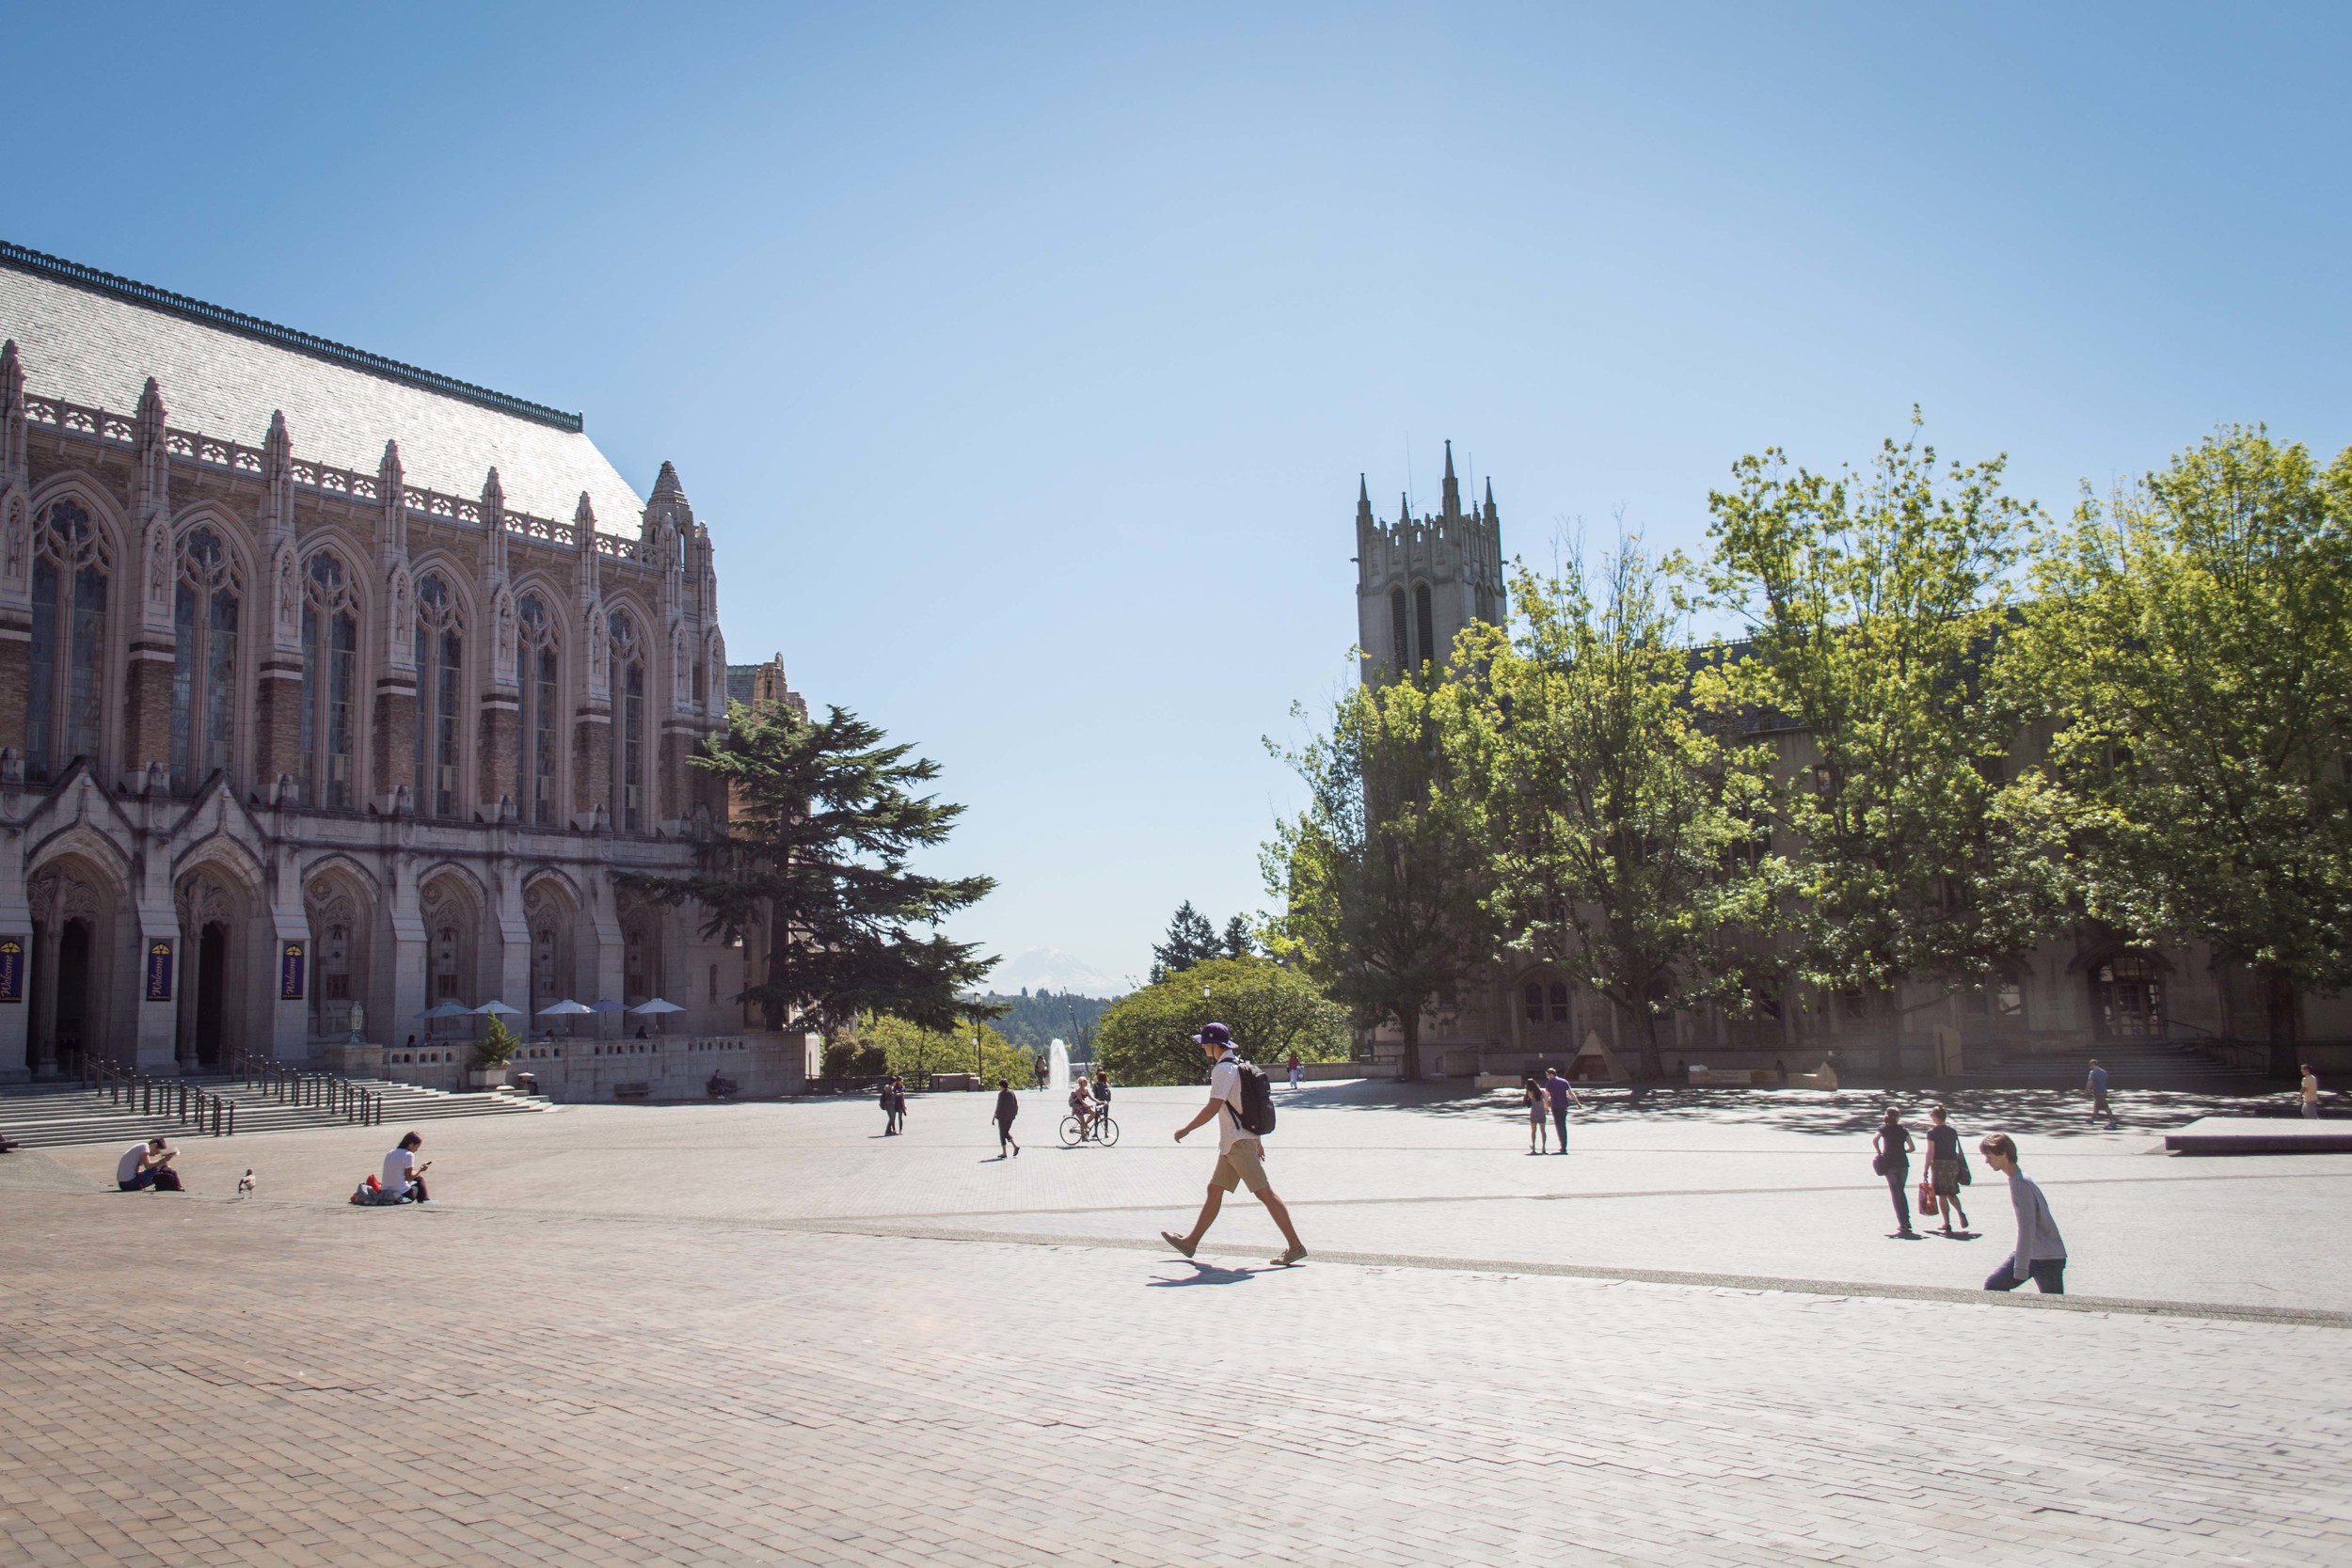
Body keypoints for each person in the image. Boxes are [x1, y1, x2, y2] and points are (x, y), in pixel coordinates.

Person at [1161, 1022, 1308, 1267]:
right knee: (1214, 1189)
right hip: (1234, 1143)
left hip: (1238, 1143)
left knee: (1266, 1194)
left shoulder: (1222, 1070)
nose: (1202, 1047)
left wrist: (1186, 1129)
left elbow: (1213, 1106)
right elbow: (1247, 1106)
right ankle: (1190, 1242)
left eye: (1203, 1043)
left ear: (1212, 1045)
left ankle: (1295, 1246)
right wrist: (1257, 1140)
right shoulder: (1238, 1065)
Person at [1979, 1132, 2065, 1293]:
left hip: (2046, 1258)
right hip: (2037, 1254)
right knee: (1993, 1285)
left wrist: (2020, 1267)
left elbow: (2027, 1228)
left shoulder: (2021, 1183)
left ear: (2003, 1154)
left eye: (1989, 1156)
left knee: (2056, 1307)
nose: (1986, 1161)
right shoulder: (2019, 1178)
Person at [1923, 1104, 1970, 1235]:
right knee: (1952, 1192)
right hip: (1953, 1164)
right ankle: (1960, 1212)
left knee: (1942, 1195)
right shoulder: (1952, 1131)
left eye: (1931, 1115)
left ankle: (1947, 1223)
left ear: (1935, 1117)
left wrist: (1925, 1168)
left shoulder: (1932, 1133)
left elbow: (1930, 1152)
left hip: (1939, 1164)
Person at [1872, 1106, 1916, 1237]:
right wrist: (1904, 1151)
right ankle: (1906, 1219)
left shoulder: (1883, 1129)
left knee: (1895, 1193)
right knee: (1901, 1191)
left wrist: (1879, 1152)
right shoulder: (1903, 1130)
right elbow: (1912, 1147)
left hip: (1889, 1163)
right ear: (1898, 1118)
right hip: (1903, 1163)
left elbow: (1875, 1140)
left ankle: (1903, 1222)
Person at [1543, 1066, 1586, 1153]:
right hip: (1564, 1106)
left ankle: (1562, 1146)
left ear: (1551, 1075)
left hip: (1555, 1106)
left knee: (1559, 1127)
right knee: (1563, 1125)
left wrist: (1546, 1108)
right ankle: (1564, 1145)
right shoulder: (1564, 1081)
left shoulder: (1549, 1083)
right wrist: (1578, 1103)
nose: (1547, 1077)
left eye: (1547, 1075)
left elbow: (1546, 1097)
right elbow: (1571, 1093)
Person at [116, 1136, 181, 1192]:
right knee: (162, 1164)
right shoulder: (145, 1147)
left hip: (123, 1184)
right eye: (157, 1152)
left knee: (161, 1166)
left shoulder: (140, 1146)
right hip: (130, 1184)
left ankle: (175, 1184)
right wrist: (162, 1160)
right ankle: (177, 1185)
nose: (155, 1155)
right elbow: (148, 1166)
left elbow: (135, 1169)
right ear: (154, 1145)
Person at [382, 1132, 431, 1203]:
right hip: (403, 1193)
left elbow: (399, 1171)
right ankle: (424, 1201)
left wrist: (417, 1173)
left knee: (417, 1177)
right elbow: (408, 1177)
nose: (416, 1150)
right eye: (416, 1147)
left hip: (386, 1192)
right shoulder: (408, 1155)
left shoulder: (390, 1152)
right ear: (411, 1144)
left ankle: (425, 1201)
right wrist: (421, 1170)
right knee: (420, 1179)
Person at [993, 1078, 1021, 1157]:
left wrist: (994, 1116)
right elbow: (1016, 1104)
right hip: (1011, 1117)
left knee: (1002, 1133)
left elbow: (999, 1106)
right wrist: (1014, 1114)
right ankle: (1015, 1146)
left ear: (1001, 1086)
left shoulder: (1001, 1094)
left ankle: (1005, 1152)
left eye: (999, 1086)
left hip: (1002, 1117)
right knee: (1005, 1132)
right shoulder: (1011, 1092)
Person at [2086, 1058, 2118, 1128]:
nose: (2090, 1067)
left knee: (2105, 1106)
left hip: (2098, 1091)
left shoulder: (2093, 1072)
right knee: (2096, 1105)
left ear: (2092, 1064)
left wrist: (2087, 1089)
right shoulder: (2104, 1072)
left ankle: (2112, 1120)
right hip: (2103, 1090)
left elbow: (2090, 1081)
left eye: (2090, 1065)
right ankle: (2092, 1118)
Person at [1521, 1075, 1549, 1153]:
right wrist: (1547, 1108)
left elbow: (1527, 1100)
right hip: (1541, 1112)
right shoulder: (1542, 1091)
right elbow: (1546, 1101)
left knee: (1533, 1131)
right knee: (1543, 1130)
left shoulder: (1530, 1093)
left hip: (1534, 1112)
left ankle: (1533, 1146)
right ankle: (1543, 1146)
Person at [1068, 1074, 1094, 1139]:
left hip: (1082, 1105)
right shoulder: (1078, 1091)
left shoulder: (1086, 1090)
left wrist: (1099, 1102)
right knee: (1082, 1121)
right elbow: (1081, 1100)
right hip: (1077, 1106)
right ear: (1081, 1083)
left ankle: (1085, 1124)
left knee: (1094, 1113)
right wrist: (1087, 1105)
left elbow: (1091, 1098)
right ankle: (1083, 1137)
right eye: (1084, 1082)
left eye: (1086, 1081)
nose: (1086, 1083)